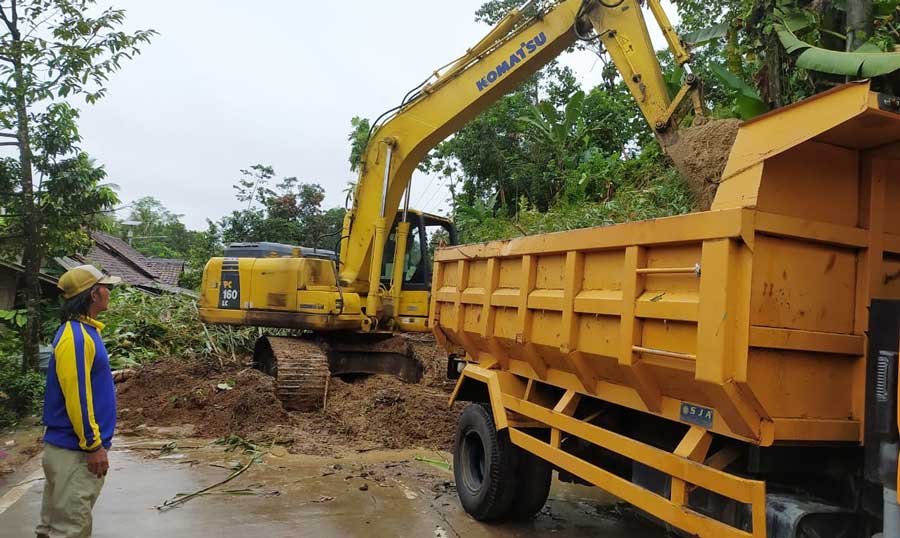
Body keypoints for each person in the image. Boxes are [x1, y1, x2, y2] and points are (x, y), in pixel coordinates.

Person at [36, 264, 120, 538]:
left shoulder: (84, 332)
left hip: (70, 449)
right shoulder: (76, 337)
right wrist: (93, 445)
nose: (109, 291)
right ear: (94, 294)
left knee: (52, 527)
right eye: (106, 286)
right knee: (70, 529)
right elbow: (78, 397)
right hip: (75, 452)